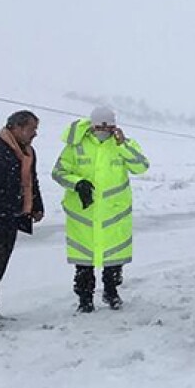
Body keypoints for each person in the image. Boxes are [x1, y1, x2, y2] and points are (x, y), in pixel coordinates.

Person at [51, 106, 149, 312]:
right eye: (100, 125)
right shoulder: (75, 146)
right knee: (84, 261)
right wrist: (77, 183)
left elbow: (141, 166)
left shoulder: (123, 143)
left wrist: (123, 145)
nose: (104, 129)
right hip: (83, 213)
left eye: (109, 125)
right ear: (92, 124)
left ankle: (111, 293)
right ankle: (85, 300)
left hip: (114, 213)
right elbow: (59, 172)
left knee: (113, 259)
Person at [0, 110, 44, 324]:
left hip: (11, 217)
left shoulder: (29, 152)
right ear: (17, 127)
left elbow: (31, 181)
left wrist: (37, 206)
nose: (35, 134)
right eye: (32, 129)